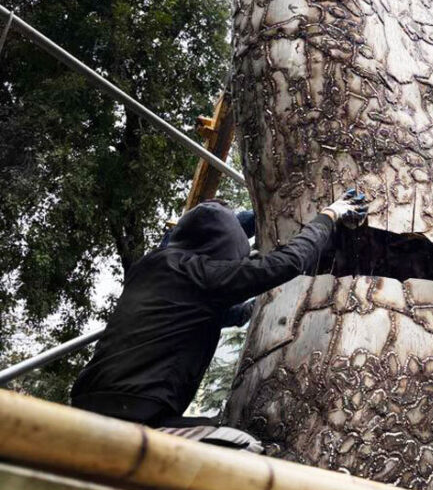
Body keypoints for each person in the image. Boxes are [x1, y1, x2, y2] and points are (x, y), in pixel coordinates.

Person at [71, 190, 367, 446]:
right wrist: (328, 216)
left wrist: (252, 309)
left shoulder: (151, 268)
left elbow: (200, 311)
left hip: (87, 403)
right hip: (138, 414)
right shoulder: (203, 275)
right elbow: (288, 262)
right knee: (246, 448)